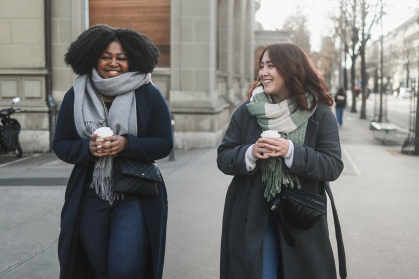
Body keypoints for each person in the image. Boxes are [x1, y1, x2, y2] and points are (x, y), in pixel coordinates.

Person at [53, 24, 173, 279]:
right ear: (93, 57)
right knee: (96, 268)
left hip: (135, 191)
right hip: (89, 193)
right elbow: (61, 144)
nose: (113, 63)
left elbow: (164, 142)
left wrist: (127, 144)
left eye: (122, 58)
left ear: (134, 60)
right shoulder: (76, 94)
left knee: (125, 268)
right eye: (106, 56)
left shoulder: (148, 94)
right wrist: (88, 148)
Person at [217, 43, 345, 279]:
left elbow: (333, 165)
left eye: (271, 66)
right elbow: (224, 157)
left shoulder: (319, 111)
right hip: (253, 214)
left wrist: (291, 151)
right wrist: (250, 153)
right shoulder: (247, 111)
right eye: (261, 66)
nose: (263, 72)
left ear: (291, 69)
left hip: (302, 217)